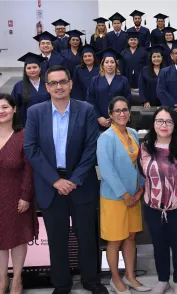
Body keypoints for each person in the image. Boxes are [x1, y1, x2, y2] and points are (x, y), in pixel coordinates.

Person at [24, 65, 107, 294]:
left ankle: (92, 280)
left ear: (70, 84)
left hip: (81, 184)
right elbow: (31, 149)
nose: (58, 87)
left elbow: (91, 148)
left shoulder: (87, 110)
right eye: (53, 83)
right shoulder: (35, 112)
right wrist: (55, 181)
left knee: (87, 238)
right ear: (47, 87)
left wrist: (75, 179)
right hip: (51, 186)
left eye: (63, 82)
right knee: (57, 239)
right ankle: (61, 283)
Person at [139, 106, 177, 294]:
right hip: (153, 206)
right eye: (160, 121)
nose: (164, 125)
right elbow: (143, 172)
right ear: (153, 123)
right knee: (159, 244)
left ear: (175, 124)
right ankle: (162, 279)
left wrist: (176, 192)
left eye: (168, 121)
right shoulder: (145, 147)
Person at [97, 97, 150, 294]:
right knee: (115, 240)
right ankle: (115, 279)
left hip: (134, 197)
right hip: (114, 198)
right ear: (110, 114)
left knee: (130, 237)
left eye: (125, 110)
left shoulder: (134, 133)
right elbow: (106, 169)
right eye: (117, 111)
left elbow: (138, 164)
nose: (122, 114)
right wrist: (124, 194)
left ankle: (130, 276)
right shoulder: (106, 138)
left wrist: (141, 188)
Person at [0, 93, 38, 294]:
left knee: (17, 239)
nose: (1, 111)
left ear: (14, 109)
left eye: (5, 107)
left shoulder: (23, 136)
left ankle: (17, 279)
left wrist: (25, 196)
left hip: (17, 196)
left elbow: (29, 169)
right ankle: (2, 279)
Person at [87, 48, 131, 129]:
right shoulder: (94, 80)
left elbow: (127, 100)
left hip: (119, 120)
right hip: (98, 122)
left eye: (112, 62)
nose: (109, 65)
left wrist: (117, 118)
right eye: (106, 62)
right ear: (102, 64)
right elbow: (90, 100)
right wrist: (99, 117)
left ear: (116, 64)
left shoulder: (123, 80)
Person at [11, 53, 50, 125]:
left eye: (35, 67)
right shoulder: (19, 86)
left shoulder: (48, 83)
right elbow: (14, 105)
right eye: (29, 68)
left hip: (48, 120)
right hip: (27, 122)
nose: (32, 70)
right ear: (25, 70)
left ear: (40, 68)